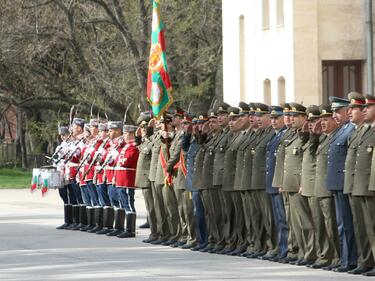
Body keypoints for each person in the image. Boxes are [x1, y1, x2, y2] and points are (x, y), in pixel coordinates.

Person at [265, 106, 288, 261]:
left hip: (278, 183)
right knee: (278, 219)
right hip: (272, 182)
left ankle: (284, 250)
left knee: (283, 219)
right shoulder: (275, 136)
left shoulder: (284, 135)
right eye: (271, 118)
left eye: (276, 118)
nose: (273, 121)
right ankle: (280, 248)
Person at [115, 124, 140, 238]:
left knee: (129, 204)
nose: (123, 135)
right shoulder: (126, 146)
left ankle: (130, 230)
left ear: (130, 134)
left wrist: (118, 159)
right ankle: (123, 228)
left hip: (127, 179)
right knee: (123, 203)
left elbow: (126, 161)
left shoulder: (133, 146)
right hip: (121, 179)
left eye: (125, 133)